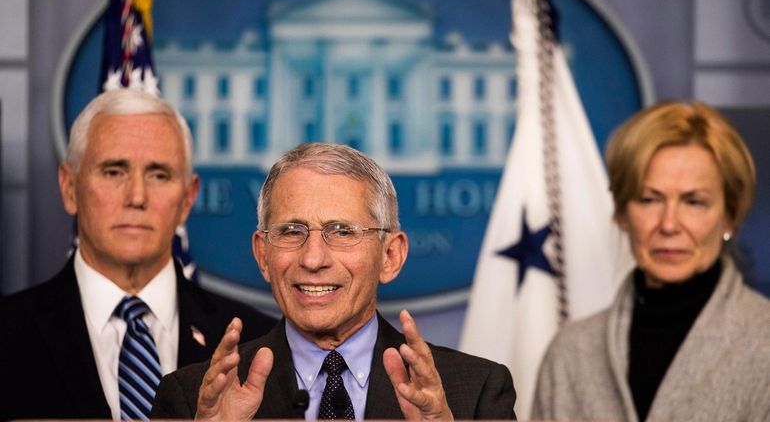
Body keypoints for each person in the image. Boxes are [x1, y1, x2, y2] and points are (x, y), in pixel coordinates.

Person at [150, 142, 516, 420]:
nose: (313, 259)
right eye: (292, 231)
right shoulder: (191, 398)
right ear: (263, 255)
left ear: (390, 256)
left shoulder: (475, 393)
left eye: (341, 232)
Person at [0, 89, 276, 421]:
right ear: (69, 187)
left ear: (188, 199)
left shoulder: (259, 345)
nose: (136, 196)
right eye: (113, 172)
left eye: (159, 175)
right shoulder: (8, 333)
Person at [532, 101, 770, 421]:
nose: (669, 224)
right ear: (621, 212)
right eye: (649, 199)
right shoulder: (571, 353)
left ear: (730, 216)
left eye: (694, 202)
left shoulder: (763, 340)